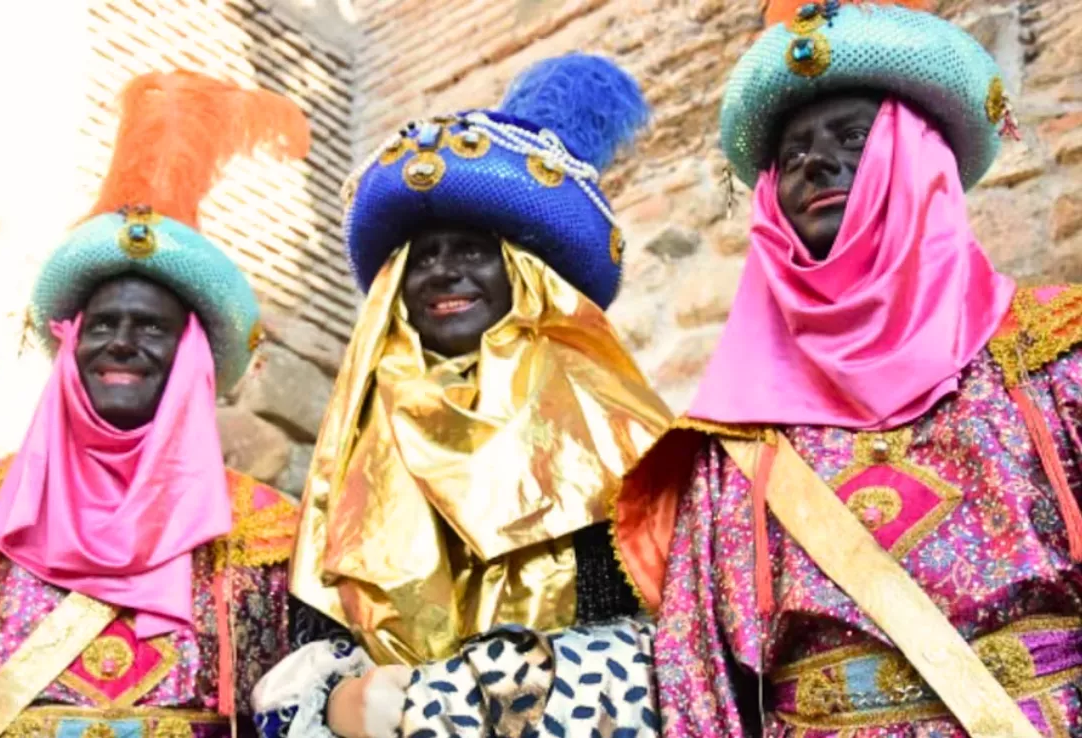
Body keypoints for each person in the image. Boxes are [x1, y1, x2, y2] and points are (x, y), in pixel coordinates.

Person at [611, 1, 1082, 736]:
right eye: (790, 157)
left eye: (853, 137)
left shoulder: (1055, 356)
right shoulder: (736, 443)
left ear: (919, 156)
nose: (815, 165)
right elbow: (698, 676)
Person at [251, 54, 673, 738]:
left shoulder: (614, 436)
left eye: (472, 250)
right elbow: (309, 648)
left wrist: (463, 699)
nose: (443, 271)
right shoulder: (355, 450)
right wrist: (340, 703)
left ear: (524, 275)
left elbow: (670, 641)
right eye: (422, 256)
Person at [0, 70, 310, 737]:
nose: (123, 344)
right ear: (71, 343)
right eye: (103, 324)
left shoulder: (266, 544)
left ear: (193, 355)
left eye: (153, 328)